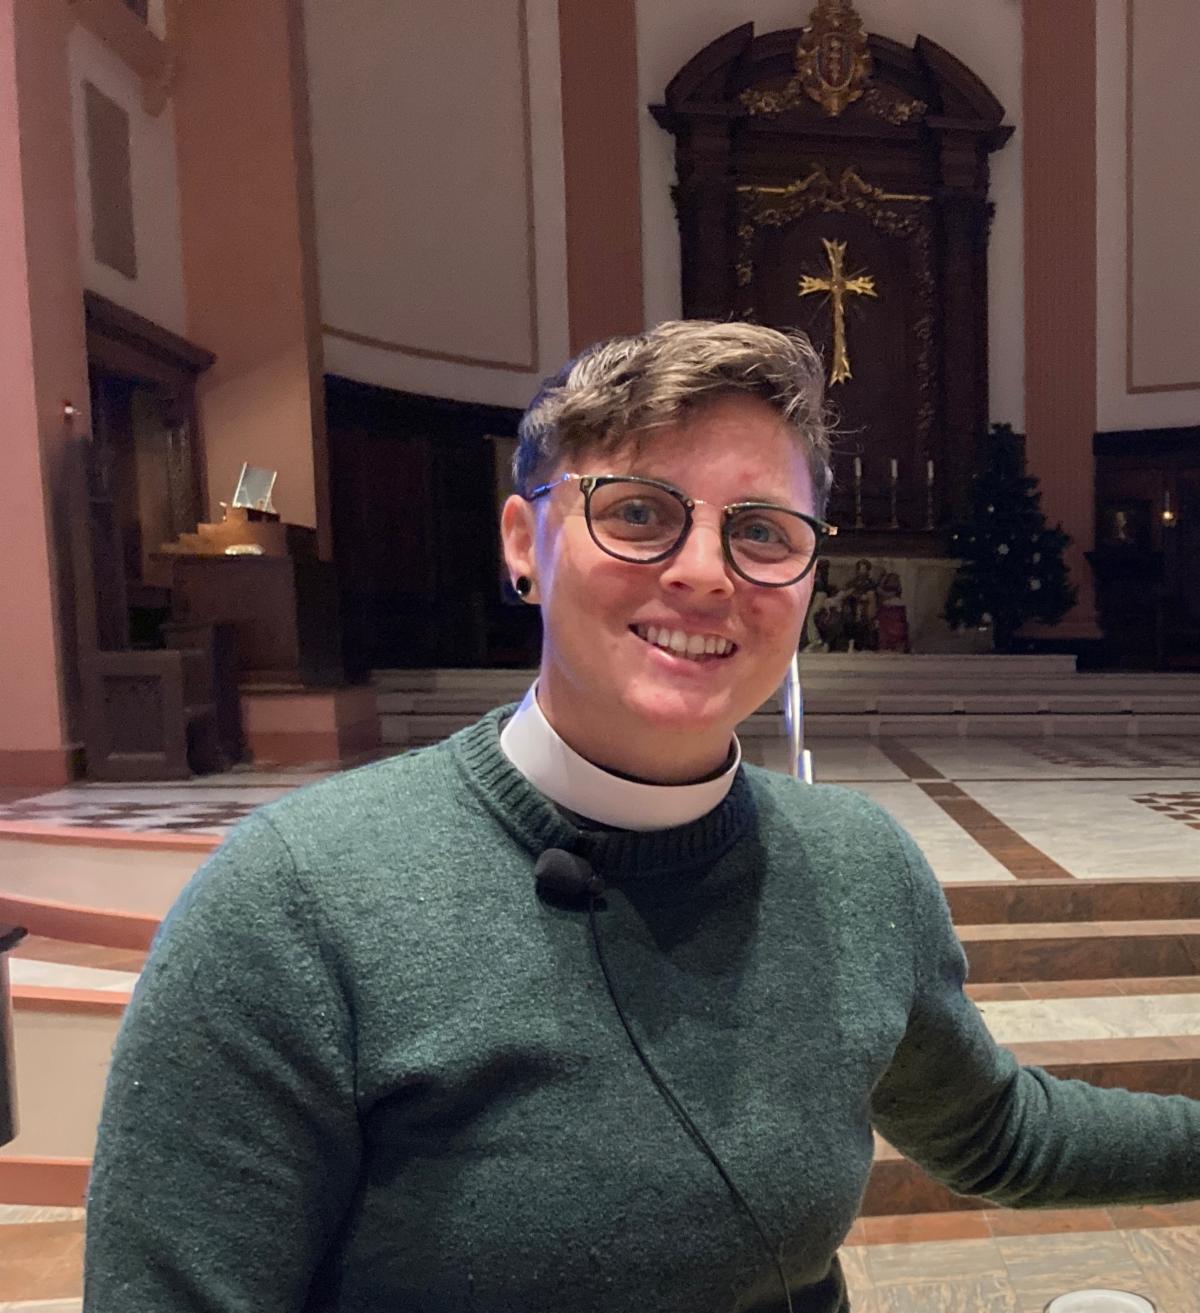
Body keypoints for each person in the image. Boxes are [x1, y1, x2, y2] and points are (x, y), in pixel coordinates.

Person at [84, 321, 1200, 1313]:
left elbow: (1001, 1131)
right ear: (523, 541)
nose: (706, 573)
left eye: (764, 532)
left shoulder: (857, 866)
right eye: (637, 513)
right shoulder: (292, 902)